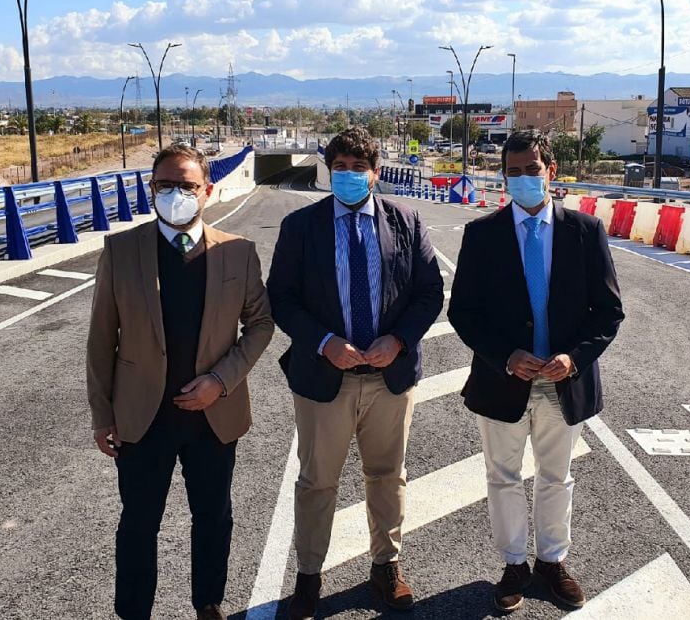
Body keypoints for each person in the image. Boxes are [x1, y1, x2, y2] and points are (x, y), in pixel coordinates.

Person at [86, 144, 274, 620]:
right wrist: (101, 414)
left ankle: (208, 603)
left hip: (213, 414)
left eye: (187, 186)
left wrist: (221, 380)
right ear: (151, 190)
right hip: (142, 415)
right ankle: (133, 612)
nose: (176, 195)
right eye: (165, 185)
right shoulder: (121, 251)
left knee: (213, 518)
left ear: (207, 191)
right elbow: (101, 339)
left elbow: (260, 325)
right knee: (138, 523)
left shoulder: (237, 252)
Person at [267, 127, 444, 619]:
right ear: (329, 170)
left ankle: (386, 566)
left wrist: (400, 339)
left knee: (388, 476)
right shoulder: (301, 227)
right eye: (338, 166)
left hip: (390, 377)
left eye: (357, 167)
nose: (347, 175)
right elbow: (281, 298)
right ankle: (308, 576)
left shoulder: (406, 221)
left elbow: (429, 292)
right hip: (326, 376)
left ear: (375, 173)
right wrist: (324, 343)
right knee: (317, 480)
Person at [448, 129, 624, 614]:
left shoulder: (585, 232)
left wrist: (575, 357)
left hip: (563, 382)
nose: (523, 179)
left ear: (551, 172)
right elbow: (463, 312)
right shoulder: (482, 234)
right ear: (503, 176)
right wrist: (505, 355)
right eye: (513, 171)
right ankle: (512, 566)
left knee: (556, 476)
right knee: (503, 476)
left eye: (532, 170)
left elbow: (607, 313)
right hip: (503, 379)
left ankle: (551, 561)